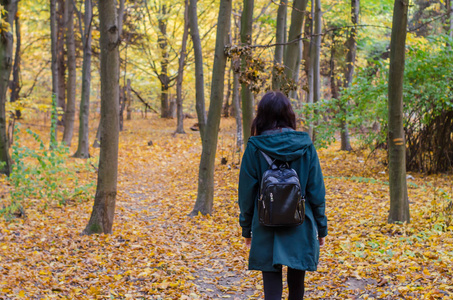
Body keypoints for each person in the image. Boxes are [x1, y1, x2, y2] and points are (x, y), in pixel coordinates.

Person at [238, 91, 328, 299]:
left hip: (265, 222)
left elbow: (246, 194)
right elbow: (316, 190)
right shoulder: (306, 146)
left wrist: (246, 229)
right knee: (297, 287)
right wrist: (321, 228)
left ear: (262, 115)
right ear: (289, 114)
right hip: (300, 222)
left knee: (271, 288)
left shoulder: (254, 147)